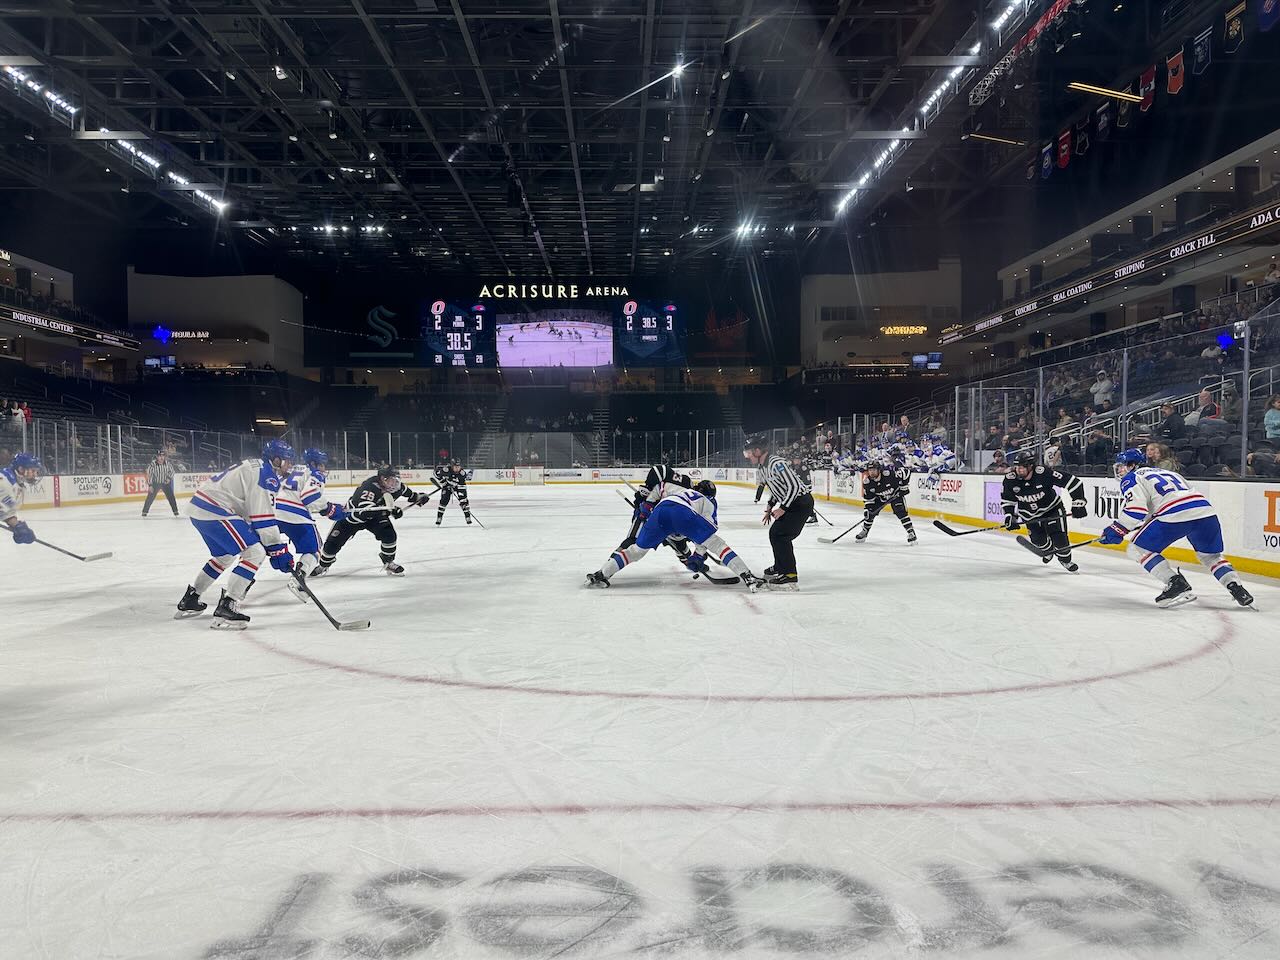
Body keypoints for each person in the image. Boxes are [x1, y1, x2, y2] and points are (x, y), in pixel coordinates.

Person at [1100, 449, 1252, 608]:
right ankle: (1237, 588)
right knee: (1211, 557)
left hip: (1174, 514)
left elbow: (1136, 510)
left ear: (1132, 465)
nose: (1119, 471)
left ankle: (1175, 582)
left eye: (1122, 466)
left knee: (1136, 549)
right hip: (1206, 513)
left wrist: (1116, 530)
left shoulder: (1132, 478)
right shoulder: (1168, 473)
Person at [176, 440, 296, 629]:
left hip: (201, 508)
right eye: (287, 460)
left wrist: (271, 543)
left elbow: (252, 515)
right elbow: (263, 519)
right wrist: (277, 548)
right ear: (275, 459)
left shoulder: (257, 467)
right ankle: (228, 604)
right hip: (215, 510)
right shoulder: (266, 476)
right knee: (255, 552)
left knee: (224, 555)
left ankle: (191, 598)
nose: (290, 465)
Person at [585, 480, 762, 590]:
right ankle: (747, 575)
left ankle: (602, 574)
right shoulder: (709, 502)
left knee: (637, 550)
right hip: (683, 515)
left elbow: (660, 486)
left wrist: (648, 504)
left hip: (661, 510)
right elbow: (709, 530)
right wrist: (698, 556)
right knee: (717, 544)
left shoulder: (681, 490)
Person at [314, 465, 430, 577]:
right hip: (353, 518)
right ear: (382, 479)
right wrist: (390, 511)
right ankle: (323, 565)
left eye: (396, 480)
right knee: (331, 546)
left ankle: (388, 562)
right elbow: (365, 512)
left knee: (389, 535)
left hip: (376, 517)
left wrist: (419, 498)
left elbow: (410, 495)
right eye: (391, 480)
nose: (394, 483)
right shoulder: (369, 487)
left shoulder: (397, 487)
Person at [274, 448, 347, 601]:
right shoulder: (315, 473)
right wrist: (330, 509)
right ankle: (298, 579)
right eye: (321, 464)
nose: (323, 468)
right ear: (313, 463)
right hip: (295, 516)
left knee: (258, 550)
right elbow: (310, 497)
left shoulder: (290, 469)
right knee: (314, 550)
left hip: (272, 512)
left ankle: (237, 590)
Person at [743, 434, 815, 590]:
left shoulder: (776, 463)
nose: (748, 456)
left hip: (801, 503)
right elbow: (776, 488)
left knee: (781, 535)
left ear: (757, 451)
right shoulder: (762, 467)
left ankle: (789, 575)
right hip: (793, 503)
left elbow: (794, 487)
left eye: (749, 453)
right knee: (775, 533)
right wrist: (770, 505)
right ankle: (780, 567)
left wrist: (783, 508)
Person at [1000, 450, 1087, 573]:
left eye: (1023, 467)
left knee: (1060, 540)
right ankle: (1048, 550)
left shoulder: (1044, 473)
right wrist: (1010, 516)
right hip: (1028, 514)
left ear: (1031, 466)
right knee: (1038, 540)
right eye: (1017, 467)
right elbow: (1008, 499)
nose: (1019, 470)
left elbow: (1073, 482)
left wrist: (1079, 503)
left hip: (1052, 509)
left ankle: (1065, 560)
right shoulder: (1010, 479)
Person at [620, 463, 691, 548]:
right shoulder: (688, 488)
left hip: (667, 515)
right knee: (680, 544)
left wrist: (643, 501)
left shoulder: (662, 486)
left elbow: (659, 470)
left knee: (637, 531)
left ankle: (628, 544)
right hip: (671, 518)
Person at [854, 461, 915, 545]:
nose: (871, 472)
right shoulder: (867, 483)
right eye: (870, 470)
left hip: (895, 495)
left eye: (874, 470)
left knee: (901, 512)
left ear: (879, 470)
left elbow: (906, 472)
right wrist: (868, 510)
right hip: (880, 498)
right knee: (870, 513)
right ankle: (865, 531)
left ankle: (911, 532)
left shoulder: (889, 475)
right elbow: (869, 499)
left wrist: (904, 487)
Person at [1, 452, 41, 546]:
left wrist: (16, 526)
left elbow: (3, 511)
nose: (35, 474)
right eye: (33, 470)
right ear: (21, 469)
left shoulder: (16, 485)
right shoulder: (4, 479)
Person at [434, 459, 473, 525]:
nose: (457, 468)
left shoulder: (462, 474)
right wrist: (443, 482)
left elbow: (462, 486)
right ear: (452, 466)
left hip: (458, 486)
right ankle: (439, 518)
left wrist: (462, 499)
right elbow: (435, 473)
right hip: (447, 486)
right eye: (455, 467)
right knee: (444, 501)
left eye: (459, 467)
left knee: (464, 501)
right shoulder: (446, 470)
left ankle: (468, 517)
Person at [141, 451, 179, 517]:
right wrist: (150, 485)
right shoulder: (153, 464)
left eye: (163, 456)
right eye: (160, 456)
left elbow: (172, 471)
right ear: (157, 457)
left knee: (171, 497)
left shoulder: (168, 463)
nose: (161, 457)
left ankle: (175, 511)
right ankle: (144, 512)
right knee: (150, 498)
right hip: (156, 483)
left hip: (165, 483)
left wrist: (169, 478)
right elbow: (149, 474)